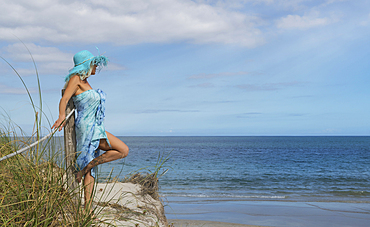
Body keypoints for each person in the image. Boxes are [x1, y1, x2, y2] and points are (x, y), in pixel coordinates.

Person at [51, 50, 129, 215]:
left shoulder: (86, 82)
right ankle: (86, 169)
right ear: (86, 64)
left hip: (96, 125)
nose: (96, 67)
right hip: (87, 127)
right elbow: (65, 99)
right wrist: (61, 116)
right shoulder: (76, 79)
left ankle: (87, 209)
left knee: (91, 167)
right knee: (123, 150)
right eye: (94, 63)